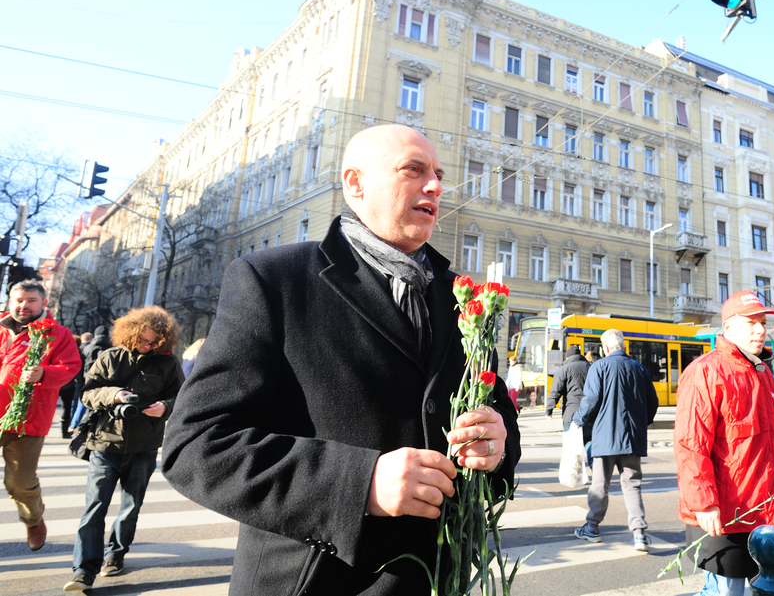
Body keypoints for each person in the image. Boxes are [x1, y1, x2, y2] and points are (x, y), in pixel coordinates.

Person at [161, 124, 520, 595]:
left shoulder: (462, 298)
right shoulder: (274, 280)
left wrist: (496, 447)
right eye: (414, 170)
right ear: (355, 183)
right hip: (314, 582)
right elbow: (196, 445)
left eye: (437, 173)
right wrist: (360, 483)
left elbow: (503, 431)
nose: (435, 185)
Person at [675, 290, 774, 595]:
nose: (760, 329)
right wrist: (704, 502)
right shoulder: (706, 371)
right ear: (728, 327)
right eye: (751, 322)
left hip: (763, 510)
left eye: (763, 323)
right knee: (725, 592)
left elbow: (770, 451)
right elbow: (691, 444)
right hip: (727, 513)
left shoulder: (763, 373)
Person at [64, 307, 183, 591]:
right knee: (95, 508)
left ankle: (115, 555)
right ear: (131, 333)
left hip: (144, 446)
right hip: (105, 443)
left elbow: (183, 396)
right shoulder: (110, 357)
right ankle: (83, 571)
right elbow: (88, 393)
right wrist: (114, 395)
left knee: (131, 508)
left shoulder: (167, 363)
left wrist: (166, 407)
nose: (148, 346)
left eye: (154, 342)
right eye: (144, 340)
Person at [0, 280, 80, 552]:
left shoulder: (58, 334)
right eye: (19, 300)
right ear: (10, 301)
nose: (24, 305)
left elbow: (70, 368)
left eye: (31, 300)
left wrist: (45, 373)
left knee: (19, 483)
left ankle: (33, 519)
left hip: (27, 421)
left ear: (43, 303)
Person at [572, 329, 658, 552]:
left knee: (600, 484)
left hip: (605, 437)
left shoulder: (599, 367)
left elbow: (590, 400)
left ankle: (592, 528)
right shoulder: (640, 369)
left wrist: (577, 421)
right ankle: (639, 534)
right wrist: (642, 423)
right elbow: (652, 402)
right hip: (632, 438)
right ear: (623, 346)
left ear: (605, 348)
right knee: (632, 486)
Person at [547, 345, 593, 466]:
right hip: (590, 412)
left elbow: (555, 391)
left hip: (571, 414)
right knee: (589, 442)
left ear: (567, 357)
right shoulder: (591, 367)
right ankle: (596, 469)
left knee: (571, 445)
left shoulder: (564, 368)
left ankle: (574, 473)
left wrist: (549, 409)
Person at [72, 326, 112, 429]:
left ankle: (75, 426)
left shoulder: (87, 348)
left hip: (87, 380)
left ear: (95, 335)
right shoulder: (112, 349)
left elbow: (79, 366)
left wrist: (80, 382)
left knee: (82, 404)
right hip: (106, 383)